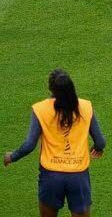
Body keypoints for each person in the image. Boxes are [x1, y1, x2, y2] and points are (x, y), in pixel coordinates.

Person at [4, 70, 106, 217]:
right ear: (72, 87)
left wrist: (11, 156)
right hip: (78, 175)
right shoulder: (85, 107)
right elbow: (101, 141)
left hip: (51, 176)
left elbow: (29, 144)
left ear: (51, 89)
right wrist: (98, 148)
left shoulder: (40, 109)